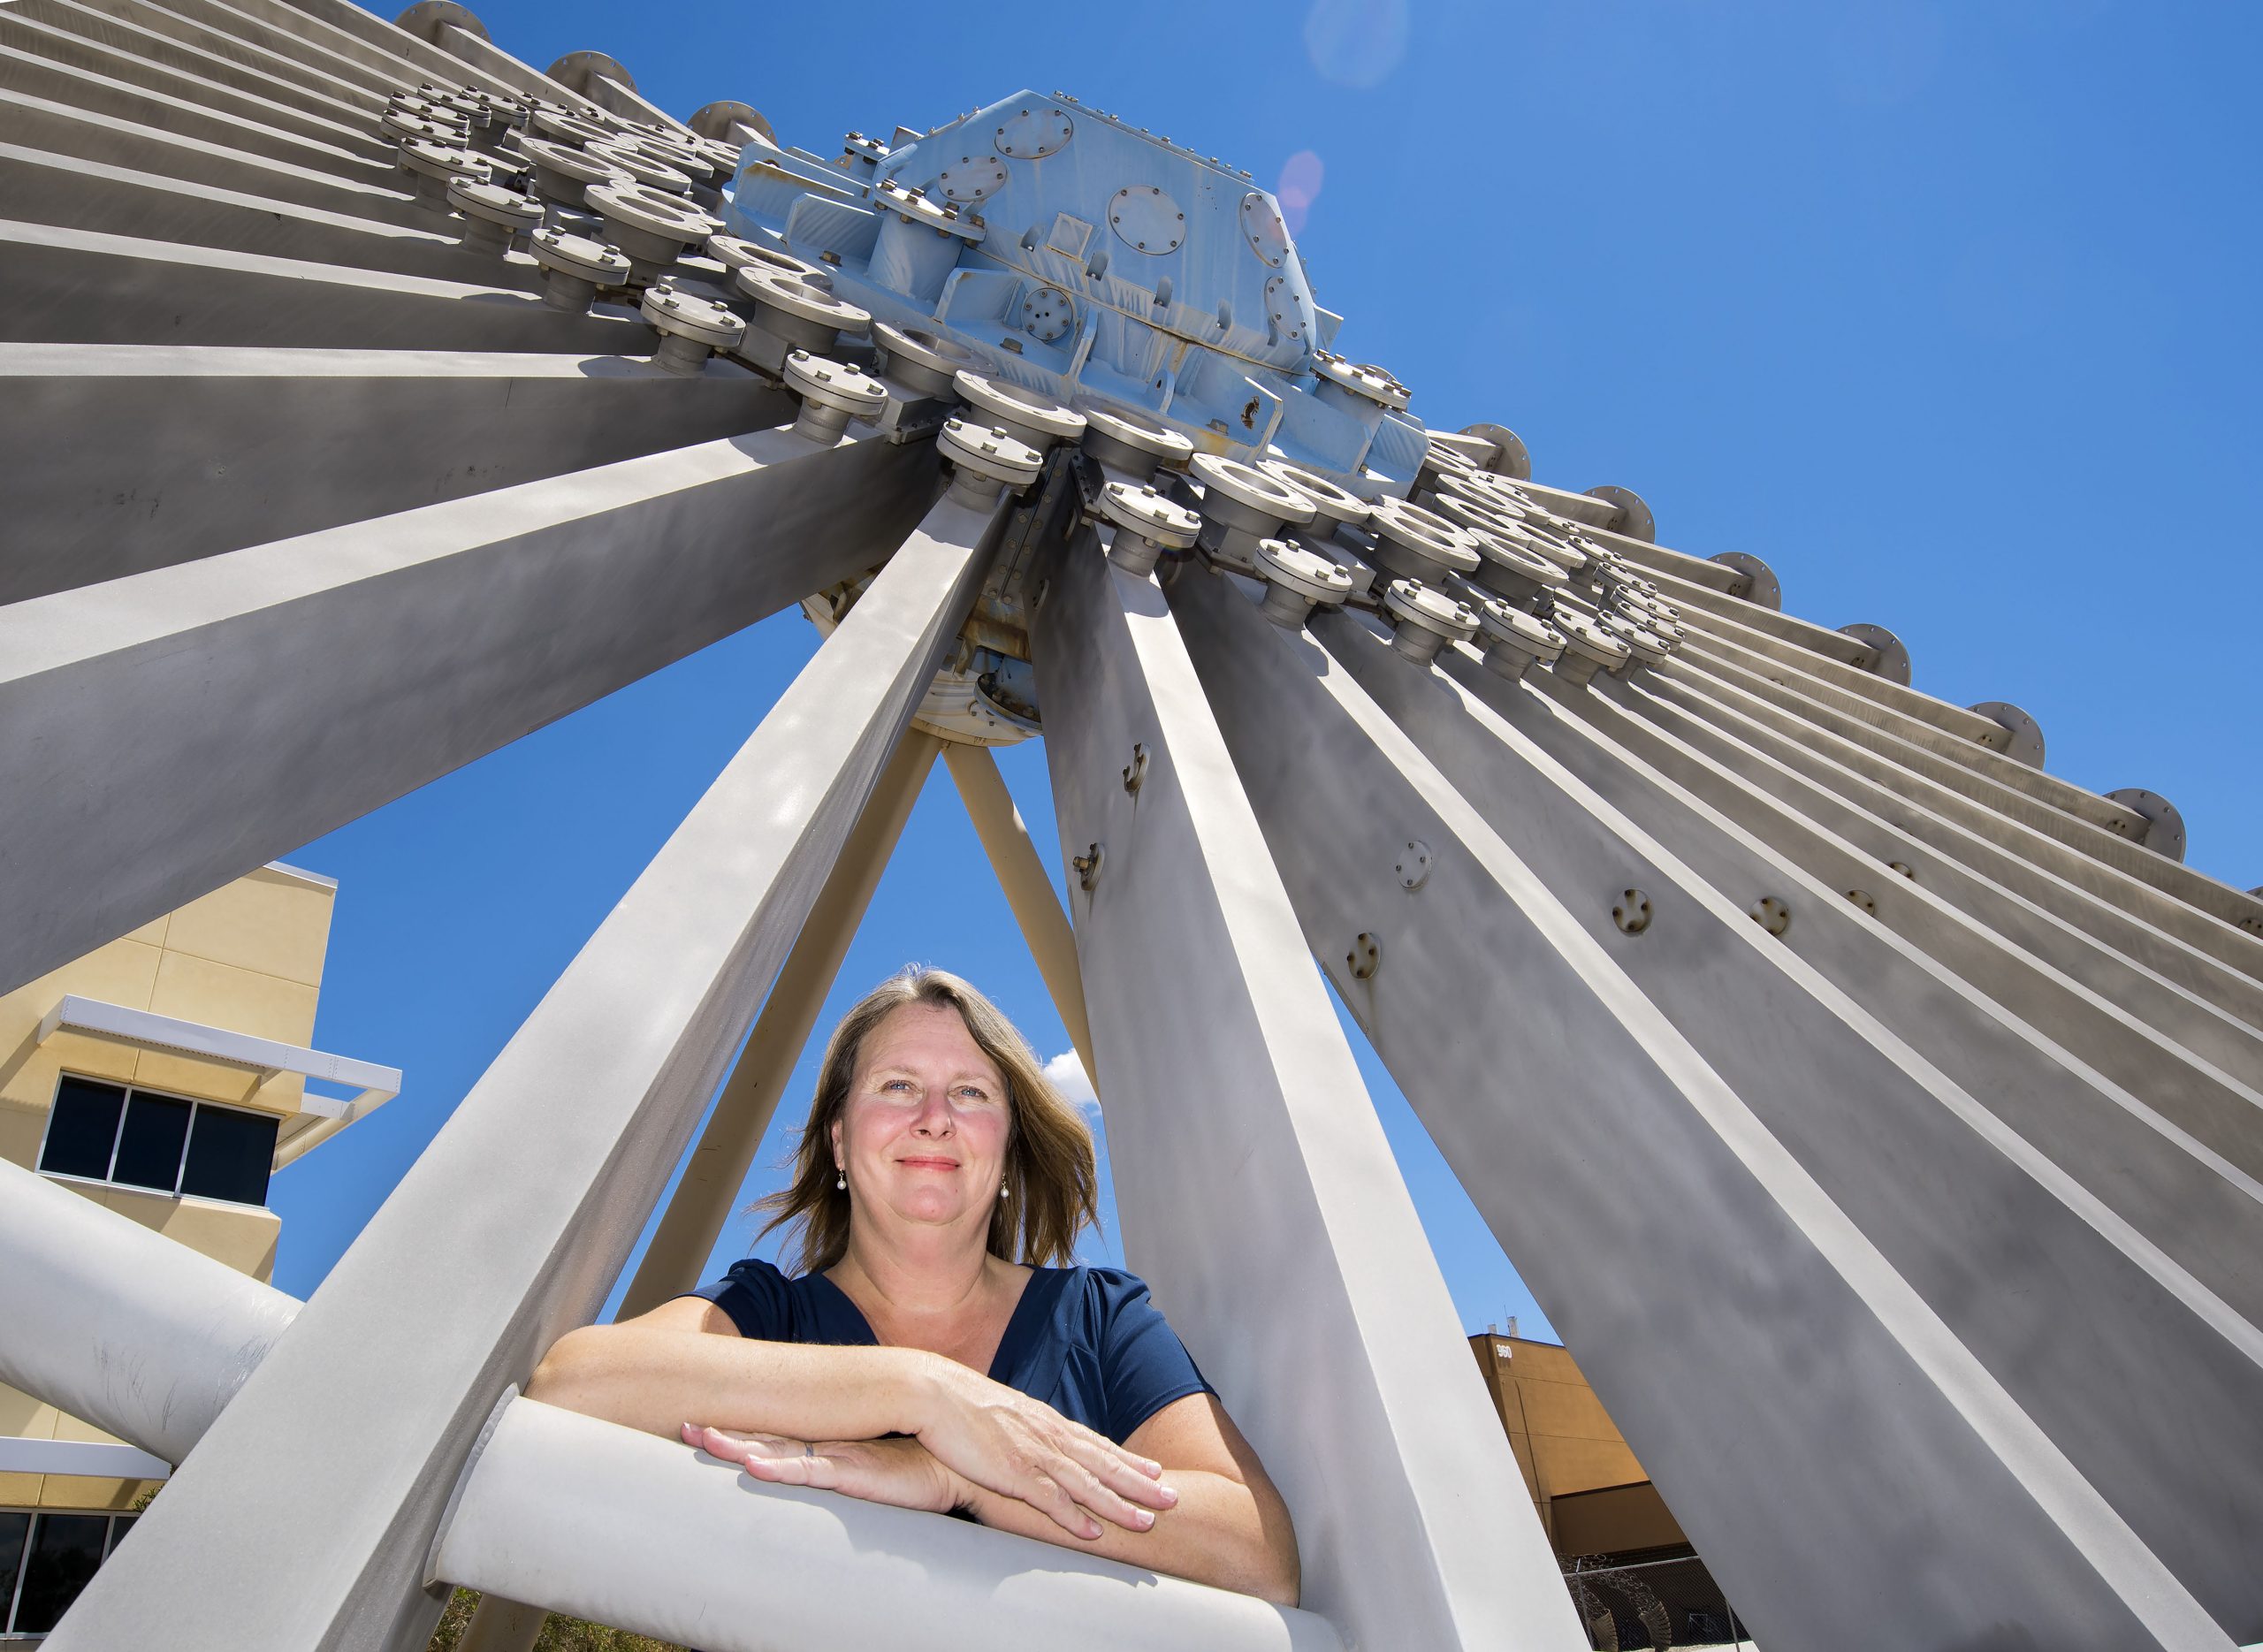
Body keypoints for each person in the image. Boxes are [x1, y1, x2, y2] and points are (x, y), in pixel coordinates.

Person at [527, 966, 1299, 1605]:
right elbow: (575, 1382)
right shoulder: (767, 1313)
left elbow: (1257, 1553)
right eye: (897, 1085)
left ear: (1007, 1143)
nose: (934, 1118)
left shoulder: (1099, 1318)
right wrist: (920, 1390)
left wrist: (960, 1474)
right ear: (837, 1137)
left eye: (970, 1092)